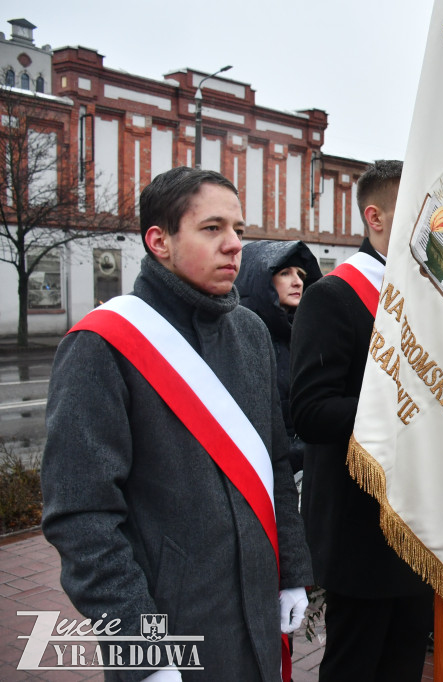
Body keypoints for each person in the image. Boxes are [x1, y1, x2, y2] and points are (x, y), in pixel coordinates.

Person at [41, 166, 313, 681]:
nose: (234, 245)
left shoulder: (250, 331)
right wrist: (140, 649)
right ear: (159, 241)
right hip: (170, 626)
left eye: (238, 229)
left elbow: (274, 463)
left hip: (258, 611)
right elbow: (81, 516)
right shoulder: (102, 344)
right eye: (212, 229)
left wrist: (292, 572)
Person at [290, 160, 433, 681]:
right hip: (360, 526)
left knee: (404, 664)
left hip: (418, 520)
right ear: (375, 217)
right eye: (415, 212)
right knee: (357, 666)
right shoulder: (334, 296)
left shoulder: (424, 296)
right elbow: (310, 412)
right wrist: (409, 405)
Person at [236, 240, 322, 474]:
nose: (297, 282)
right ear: (260, 281)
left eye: (301, 274)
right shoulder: (243, 339)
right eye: (285, 273)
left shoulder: (311, 334)